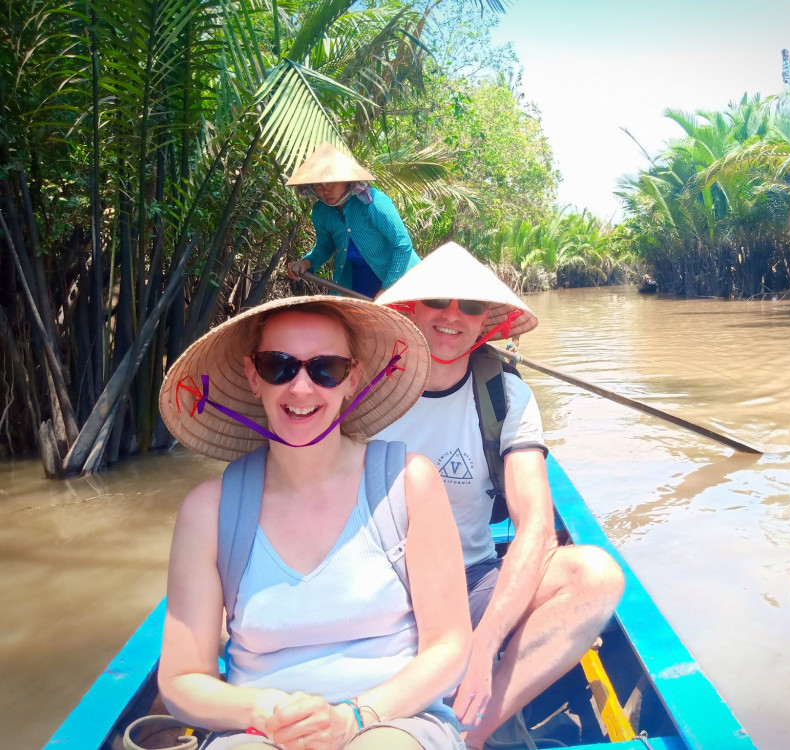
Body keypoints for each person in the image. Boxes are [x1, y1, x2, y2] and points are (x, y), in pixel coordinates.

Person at [157, 294, 471, 750]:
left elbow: (450, 646)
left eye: (326, 369)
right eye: (278, 366)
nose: (301, 388)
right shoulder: (209, 511)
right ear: (252, 376)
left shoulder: (408, 484)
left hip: (395, 718)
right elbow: (183, 678)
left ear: (352, 379)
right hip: (260, 730)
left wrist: (352, 718)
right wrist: (262, 711)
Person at [374, 243, 625, 750]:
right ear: (412, 309)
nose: (452, 317)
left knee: (595, 576)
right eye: (438, 302)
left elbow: (534, 527)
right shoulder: (366, 386)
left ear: (487, 320)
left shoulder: (504, 395)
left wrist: (483, 642)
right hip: (377, 585)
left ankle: (471, 731)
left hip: (470, 581)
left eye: (469, 307)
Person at [285, 144, 420, 298]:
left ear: (347, 180)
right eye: (318, 185)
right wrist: (307, 263)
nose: (325, 190)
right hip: (357, 286)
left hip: (399, 282)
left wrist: (388, 290)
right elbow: (325, 245)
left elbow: (402, 245)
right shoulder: (321, 211)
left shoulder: (372, 203)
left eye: (330, 182)